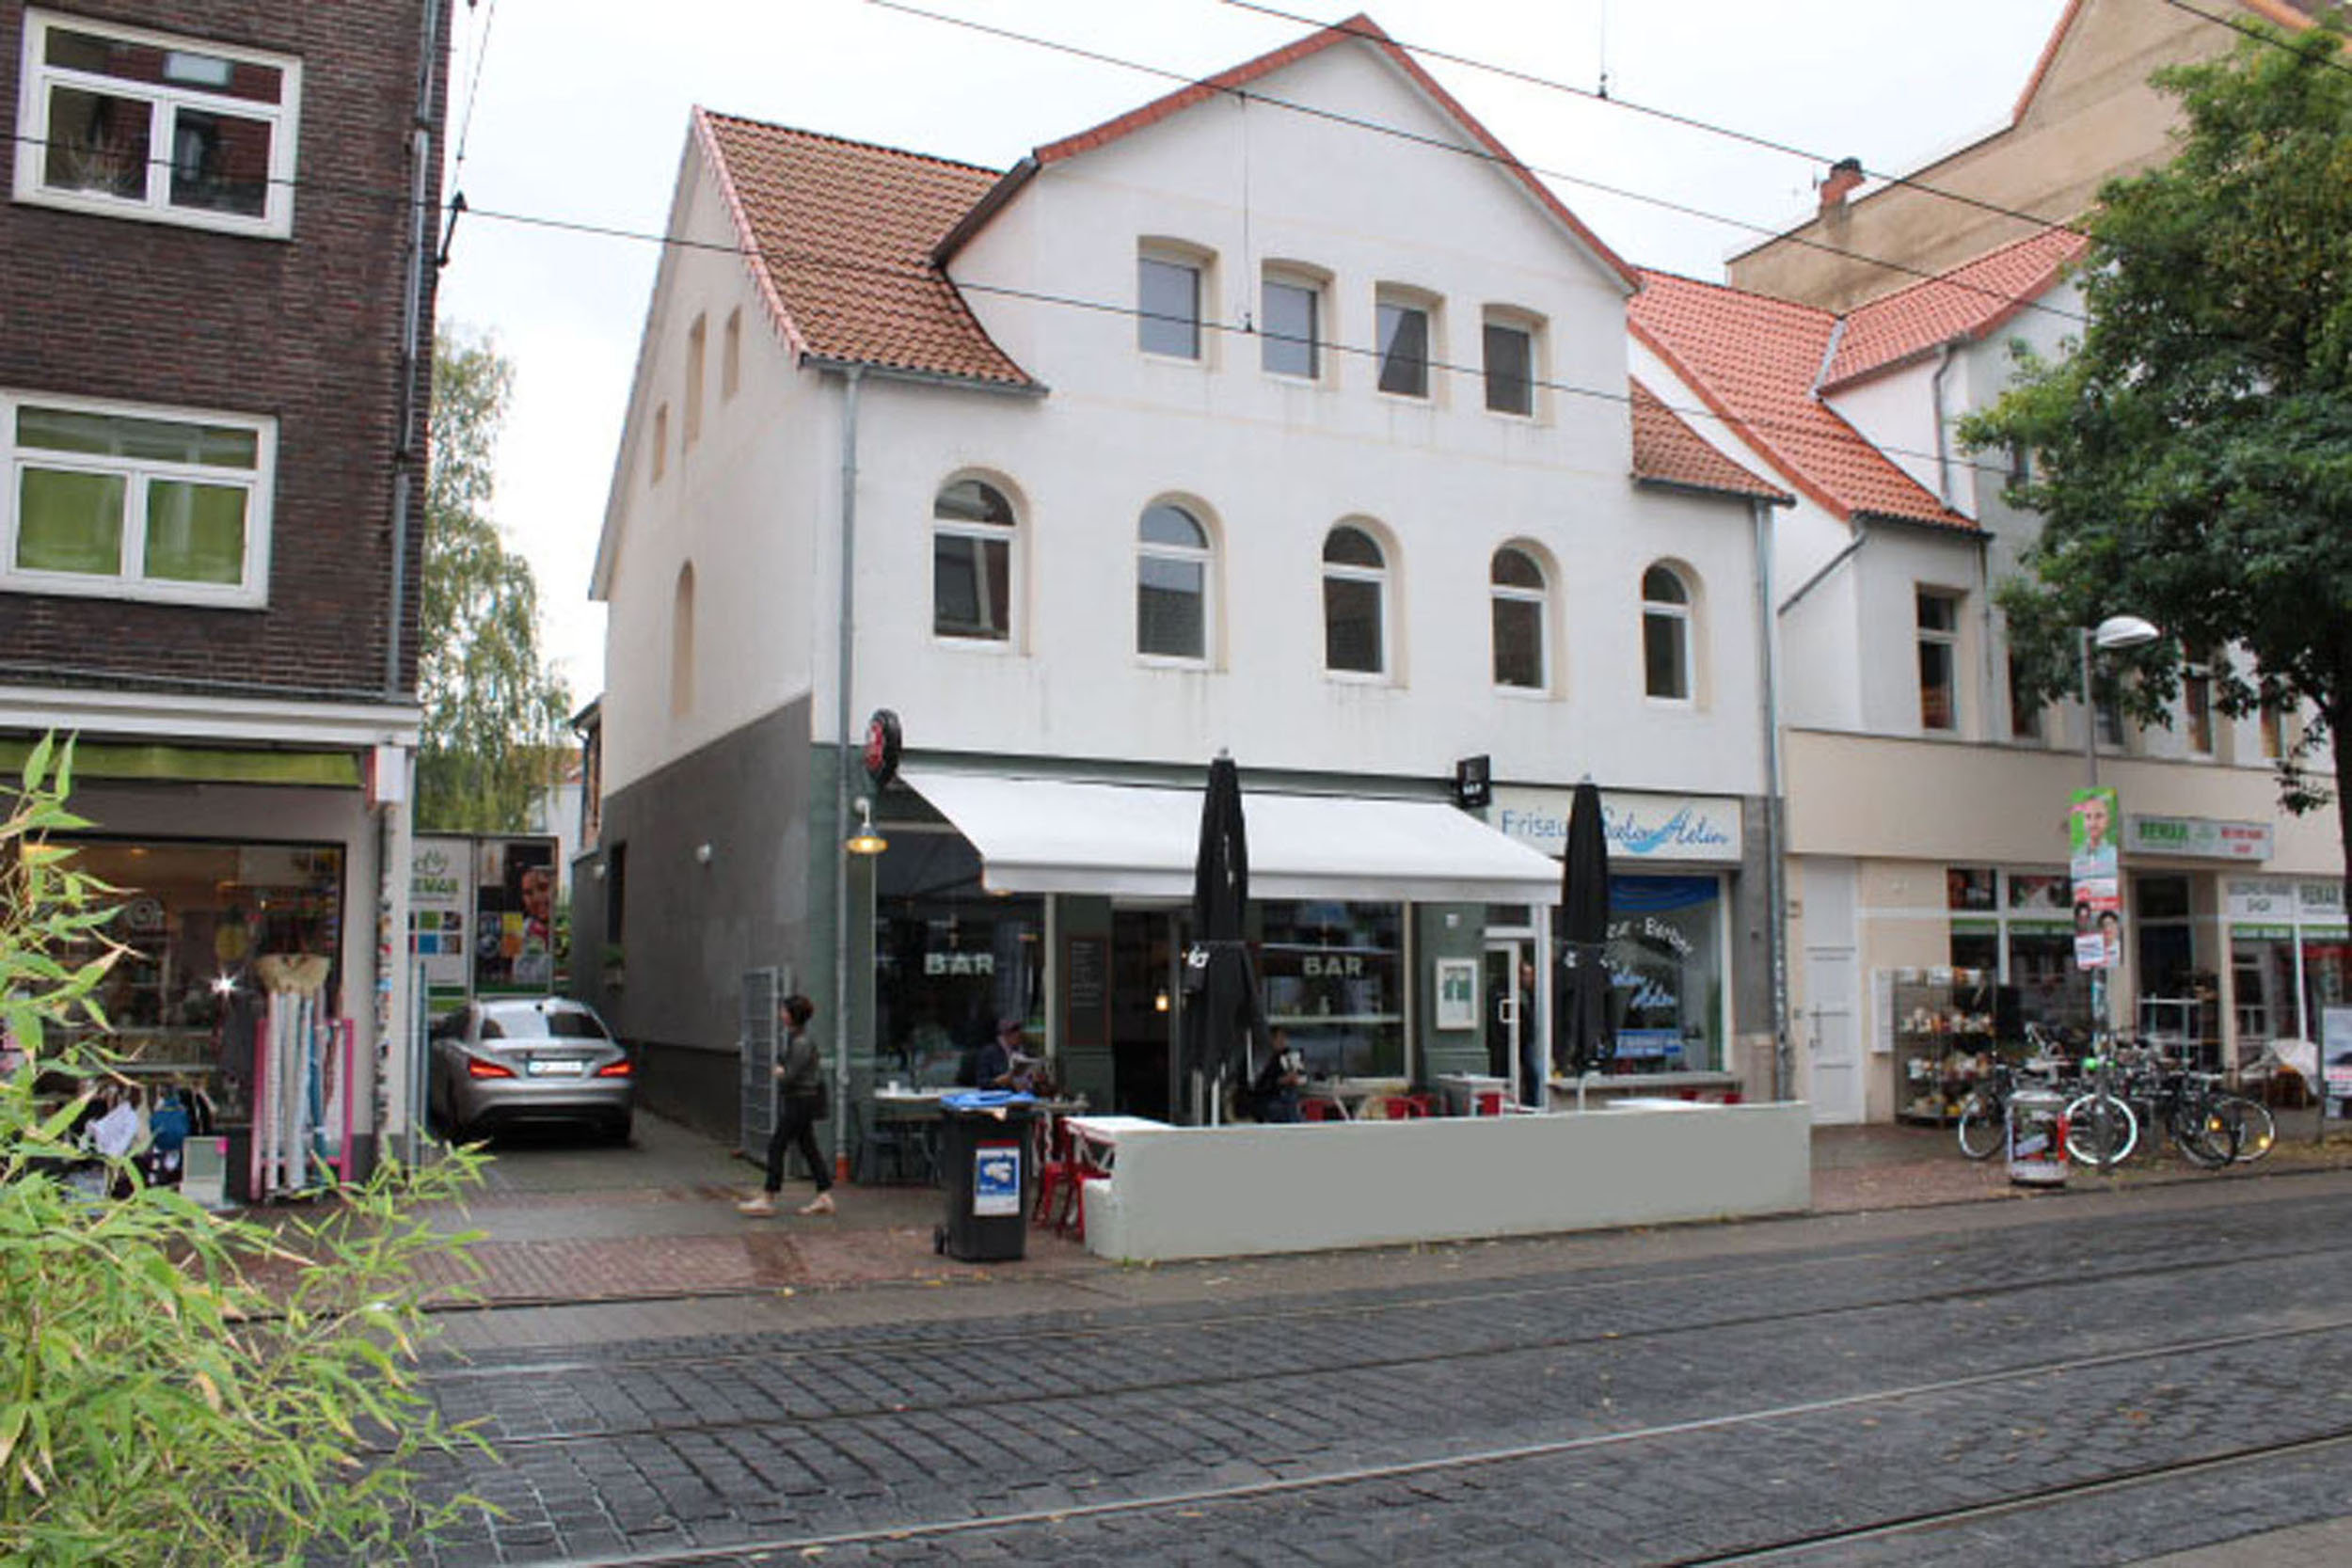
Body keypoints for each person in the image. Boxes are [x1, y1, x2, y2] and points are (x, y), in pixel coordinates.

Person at [739, 994, 835, 1217]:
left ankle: (768, 1197)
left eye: (784, 1011)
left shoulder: (801, 1042)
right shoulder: (797, 1038)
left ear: (792, 1015)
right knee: (808, 1146)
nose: (780, 1014)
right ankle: (824, 1195)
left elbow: (791, 1074)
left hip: (800, 1100)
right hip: (802, 1099)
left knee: (777, 1145)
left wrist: (781, 1073)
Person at [1253, 1027, 1306, 1122]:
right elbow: (1262, 1085)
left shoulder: (1287, 1055)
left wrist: (1296, 1075)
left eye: (1284, 1039)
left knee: (1292, 1100)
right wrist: (1282, 1080)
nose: (1283, 1042)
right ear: (1272, 1040)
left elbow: (1300, 1076)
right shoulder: (1266, 1058)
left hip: (1285, 1096)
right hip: (1268, 1099)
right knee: (1284, 1107)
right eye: (1279, 1039)